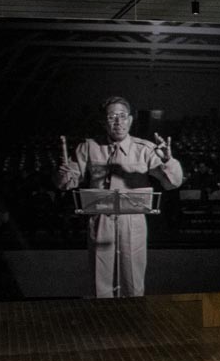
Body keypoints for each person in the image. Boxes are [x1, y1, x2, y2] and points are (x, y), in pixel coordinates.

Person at [54, 96, 184, 297]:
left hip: (133, 221)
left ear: (130, 120)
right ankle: (103, 321)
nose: (118, 122)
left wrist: (169, 160)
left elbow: (172, 182)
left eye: (123, 116)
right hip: (100, 220)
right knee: (100, 279)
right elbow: (66, 183)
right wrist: (63, 173)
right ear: (103, 121)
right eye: (112, 116)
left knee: (132, 279)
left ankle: (133, 321)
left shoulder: (145, 149)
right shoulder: (88, 147)